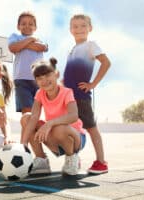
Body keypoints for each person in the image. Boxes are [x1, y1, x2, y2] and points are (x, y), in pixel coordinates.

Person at [21, 58, 86, 176]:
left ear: (56, 74)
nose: (44, 80)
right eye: (40, 78)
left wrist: (49, 123)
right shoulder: (39, 93)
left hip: (75, 137)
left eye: (47, 75)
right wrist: (23, 144)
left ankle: (72, 158)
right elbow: (34, 117)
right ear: (36, 81)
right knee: (27, 117)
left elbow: (73, 116)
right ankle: (42, 161)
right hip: (55, 137)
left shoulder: (67, 92)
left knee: (58, 128)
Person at [63, 14, 111, 174]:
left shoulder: (91, 45)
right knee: (71, 129)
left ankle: (101, 162)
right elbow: (70, 73)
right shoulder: (72, 50)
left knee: (91, 127)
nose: (79, 29)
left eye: (83, 25)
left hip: (81, 97)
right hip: (69, 98)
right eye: (75, 26)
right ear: (70, 30)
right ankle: (74, 159)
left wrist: (93, 84)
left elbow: (106, 62)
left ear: (90, 28)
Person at [8, 11, 48, 114]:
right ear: (18, 26)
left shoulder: (40, 40)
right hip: (21, 79)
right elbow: (13, 48)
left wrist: (21, 45)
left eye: (31, 24)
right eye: (23, 24)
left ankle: (33, 130)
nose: (27, 26)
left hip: (38, 80)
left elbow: (41, 47)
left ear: (35, 27)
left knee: (36, 112)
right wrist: (30, 39)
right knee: (27, 110)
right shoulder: (15, 36)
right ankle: (27, 129)